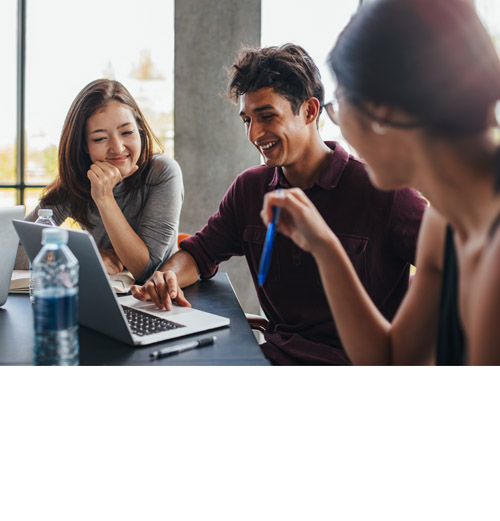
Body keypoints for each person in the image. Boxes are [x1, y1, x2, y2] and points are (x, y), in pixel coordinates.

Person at [132, 44, 426, 365]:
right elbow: (199, 252)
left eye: (267, 116)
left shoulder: (384, 192)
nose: (254, 133)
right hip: (272, 358)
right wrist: (168, 276)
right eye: (247, 120)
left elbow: (458, 273)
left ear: (310, 111)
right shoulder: (250, 188)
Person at [261, 0, 500, 364]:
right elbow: (392, 359)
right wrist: (325, 246)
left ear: (383, 114)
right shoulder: (444, 222)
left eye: (339, 107)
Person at [17, 79, 183, 284]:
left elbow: (145, 270)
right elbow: (12, 250)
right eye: (99, 138)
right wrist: (87, 256)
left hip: (159, 301)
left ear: (139, 130)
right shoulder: (78, 182)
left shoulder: (162, 173)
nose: (117, 147)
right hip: (102, 297)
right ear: (84, 146)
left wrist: (104, 197)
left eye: (127, 132)